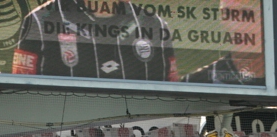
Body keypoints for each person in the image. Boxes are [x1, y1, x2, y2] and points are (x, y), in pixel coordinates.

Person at [12, 0, 177, 82]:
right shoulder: (40, 20)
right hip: (62, 133)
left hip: (136, 132)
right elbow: (20, 89)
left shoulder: (153, 24)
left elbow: (172, 93)